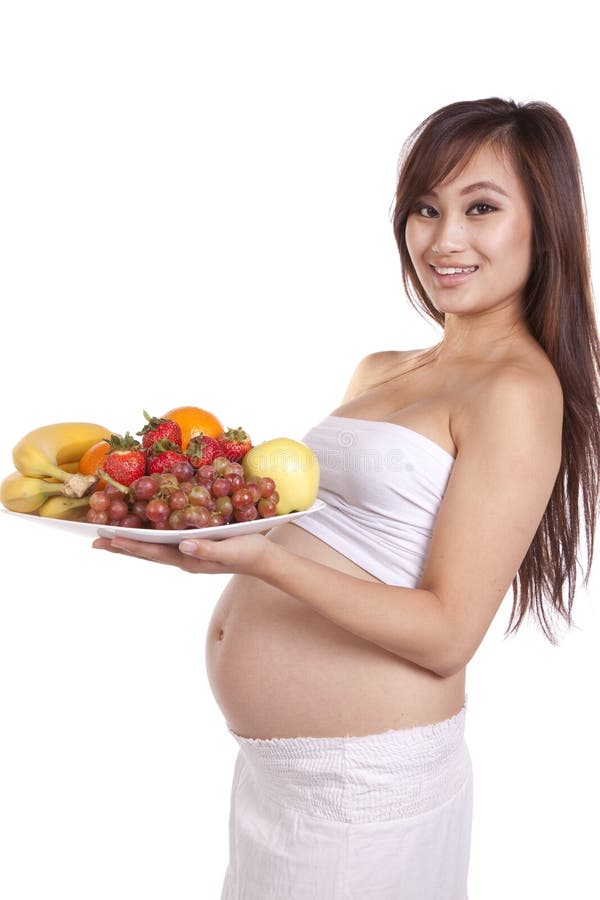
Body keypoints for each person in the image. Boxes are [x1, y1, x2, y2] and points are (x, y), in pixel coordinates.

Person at [93, 97, 600, 899]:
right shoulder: (382, 368)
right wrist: (214, 550)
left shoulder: (516, 390)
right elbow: (338, 539)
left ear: (546, 223)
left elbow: (445, 635)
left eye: (482, 208)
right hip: (277, 782)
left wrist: (265, 563)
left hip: (364, 797)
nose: (444, 239)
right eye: (426, 208)